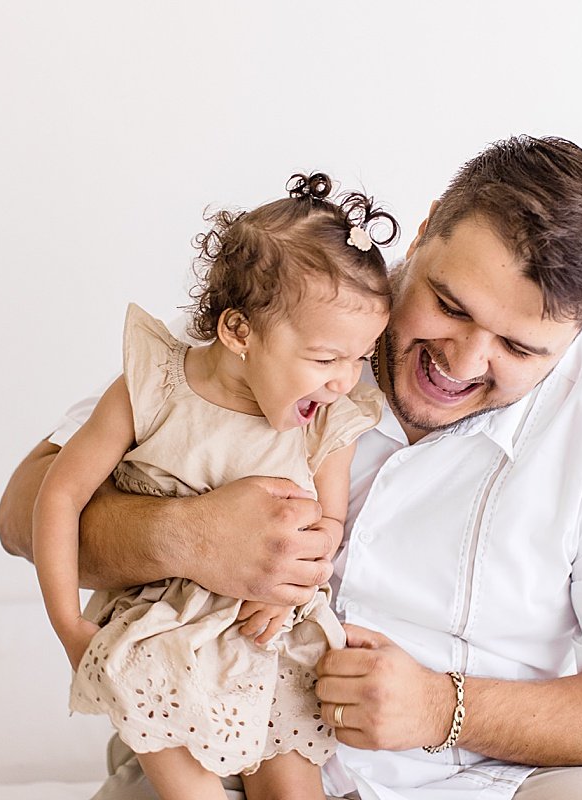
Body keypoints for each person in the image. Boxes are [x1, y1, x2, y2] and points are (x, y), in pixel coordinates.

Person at [0, 136, 582, 800]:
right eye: (450, 305)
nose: (464, 362)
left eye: (520, 349)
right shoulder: (297, 321)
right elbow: (22, 513)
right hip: (218, 752)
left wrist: (444, 708)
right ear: (426, 226)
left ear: (575, 338)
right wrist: (183, 534)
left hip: (479, 780)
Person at [30, 173, 399, 800]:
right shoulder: (154, 391)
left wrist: (293, 590)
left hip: (266, 635)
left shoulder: (330, 423)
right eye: (324, 357)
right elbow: (58, 495)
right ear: (239, 333)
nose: (344, 381)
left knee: (293, 791)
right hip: (160, 634)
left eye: (359, 358)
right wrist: (67, 623)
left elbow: (326, 530)